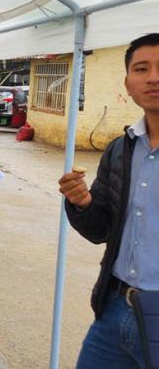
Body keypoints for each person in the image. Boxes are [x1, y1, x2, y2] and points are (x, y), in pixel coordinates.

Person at [58, 33, 159, 368]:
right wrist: (83, 202)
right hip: (116, 307)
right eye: (141, 69)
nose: (153, 77)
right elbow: (101, 229)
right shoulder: (120, 149)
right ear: (128, 84)